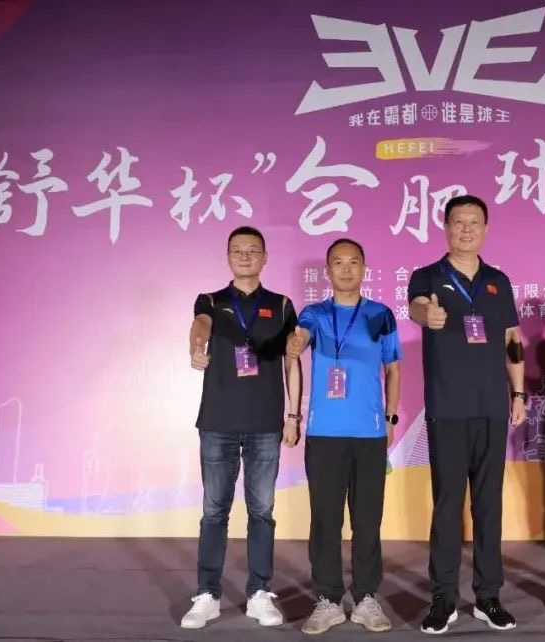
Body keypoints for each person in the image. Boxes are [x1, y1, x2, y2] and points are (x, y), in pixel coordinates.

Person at [407, 195, 526, 634]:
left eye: (475, 222)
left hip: (492, 409)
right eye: (459, 222)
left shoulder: (498, 281)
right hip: (448, 409)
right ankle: (443, 597)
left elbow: (512, 340)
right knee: (447, 506)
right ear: (446, 227)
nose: (467, 229)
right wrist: (428, 314)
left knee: (489, 506)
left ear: (486, 228)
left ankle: (488, 596)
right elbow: (417, 307)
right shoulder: (427, 276)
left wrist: (518, 393)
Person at [180, 225, 303, 630]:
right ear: (228, 257)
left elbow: (291, 360)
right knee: (213, 511)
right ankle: (208, 594)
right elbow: (200, 324)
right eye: (238, 250)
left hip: (265, 424)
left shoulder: (281, 305)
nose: (245, 256)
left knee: (262, 511)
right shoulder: (212, 300)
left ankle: (259, 593)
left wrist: (293, 416)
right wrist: (196, 346)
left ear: (265, 257)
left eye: (253, 250)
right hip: (217, 422)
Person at [286, 238, 402, 635]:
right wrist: (297, 341)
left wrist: (390, 418)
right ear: (328, 270)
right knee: (325, 520)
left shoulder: (380, 314)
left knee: (368, 520)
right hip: (325, 434)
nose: (347, 269)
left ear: (364, 268)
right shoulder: (315, 313)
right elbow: (301, 336)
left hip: (369, 435)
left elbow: (393, 369)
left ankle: (367, 597)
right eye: (338, 262)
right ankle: (328, 600)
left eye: (354, 261)